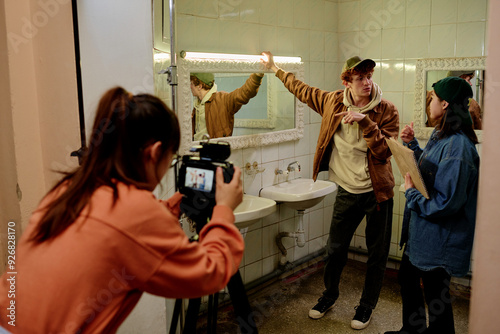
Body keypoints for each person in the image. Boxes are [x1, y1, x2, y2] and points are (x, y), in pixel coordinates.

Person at [0, 87, 244, 333]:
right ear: (154, 152)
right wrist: (224, 209)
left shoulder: (71, 188)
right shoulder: (137, 213)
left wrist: (170, 207)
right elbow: (210, 273)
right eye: (169, 159)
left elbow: (117, 225)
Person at [261, 52, 399, 330]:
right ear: (347, 81)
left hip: (377, 193)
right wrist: (275, 67)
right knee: (334, 250)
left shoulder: (386, 110)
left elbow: (384, 152)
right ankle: (329, 295)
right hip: (347, 191)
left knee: (377, 255)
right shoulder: (331, 101)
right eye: (360, 78)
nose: (367, 83)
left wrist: (365, 122)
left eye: (369, 77)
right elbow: (302, 90)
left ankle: (366, 306)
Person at [385, 77, 479, 334]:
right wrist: (411, 146)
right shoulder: (442, 135)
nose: (429, 104)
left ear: (445, 103)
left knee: (437, 297)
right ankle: (411, 330)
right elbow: (430, 172)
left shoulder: (458, 147)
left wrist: (411, 195)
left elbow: (446, 203)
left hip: (440, 239)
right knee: (407, 278)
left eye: (433, 99)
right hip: (423, 234)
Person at [191, 72, 264, 140]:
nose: (190, 87)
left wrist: (257, 76)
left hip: (214, 152)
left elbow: (244, 93)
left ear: (199, 86)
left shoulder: (223, 100)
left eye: (191, 84)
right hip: (196, 150)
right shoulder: (197, 104)